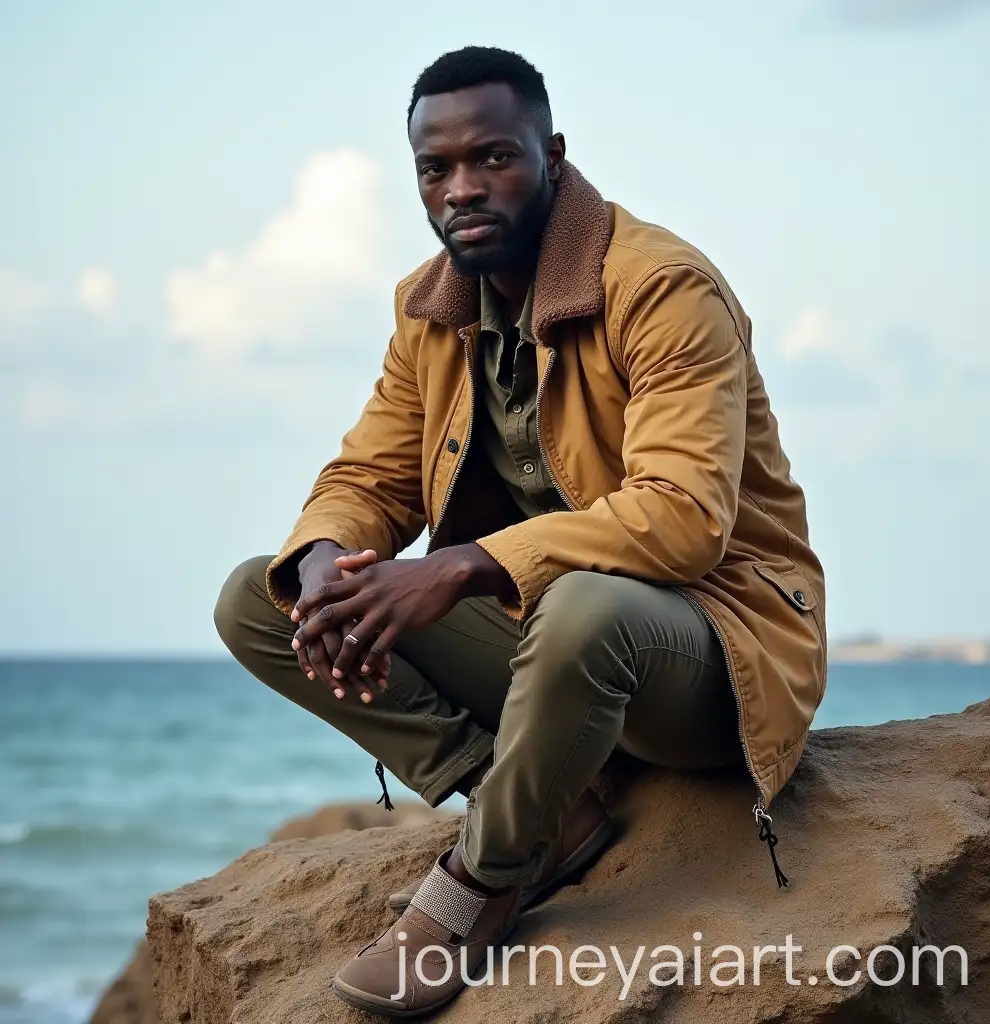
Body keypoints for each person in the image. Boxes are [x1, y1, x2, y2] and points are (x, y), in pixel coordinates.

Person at [214, 45, 827, 1017]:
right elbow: (370, 475)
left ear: (552, 154)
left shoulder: (661, 286)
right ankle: (536, 806)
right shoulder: (429, 307)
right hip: (549, 640)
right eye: (435, 168)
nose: (461, 187)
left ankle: (485, 876)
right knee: (265, 595)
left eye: (492, 158)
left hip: (711, 644)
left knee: (584, 606)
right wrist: (328, 559)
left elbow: (685, 516)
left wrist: (461, 565)